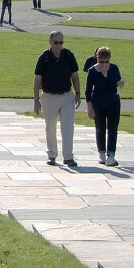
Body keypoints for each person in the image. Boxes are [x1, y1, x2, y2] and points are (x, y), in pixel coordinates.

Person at [33, 31, 81, 167]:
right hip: (49, 96)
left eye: (61, 42)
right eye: (56, 42)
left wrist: (78, 93)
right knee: (50, 127)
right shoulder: (44, 57)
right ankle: (52, 154)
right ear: (50, 42)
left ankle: (68, 157)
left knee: (68, 127)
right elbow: (37, 81)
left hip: (66, 96)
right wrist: (36, 100)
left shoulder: (68, 55)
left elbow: (75, 76)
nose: (58, 45)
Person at [85, 46, 125, 166]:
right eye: (101, 62)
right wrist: (89, 108)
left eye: (106, 62)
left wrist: (121, 82)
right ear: (97, 59)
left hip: (113, 102)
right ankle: (101, 153)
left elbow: (119, 81)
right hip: (98, 102)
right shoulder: (92, 71)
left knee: (113, 129)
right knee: (100, 128)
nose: (103, 64)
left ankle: (111, 155)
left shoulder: (114, 68)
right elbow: (87, 91)